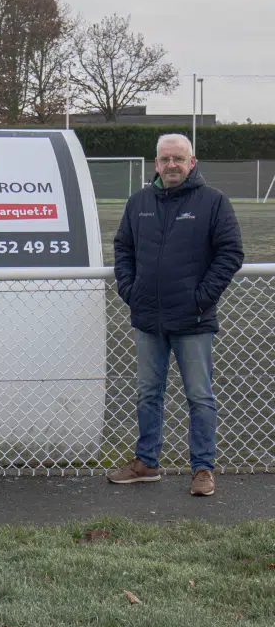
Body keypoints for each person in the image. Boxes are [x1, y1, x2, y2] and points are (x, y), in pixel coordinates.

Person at [108, 133, 243, 496]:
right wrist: (130, 291)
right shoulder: (139, 203)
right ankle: (146, 462)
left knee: (200, 396)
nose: (172, 165)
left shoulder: (213, 202)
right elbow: (123, 248)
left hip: (193, 320)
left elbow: (231, 252)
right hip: (148, 319)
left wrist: (201, 299)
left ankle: (203, 469)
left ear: (191, 162)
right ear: (156, 164)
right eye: (165, 159)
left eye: (179, 159)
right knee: (147, 393)